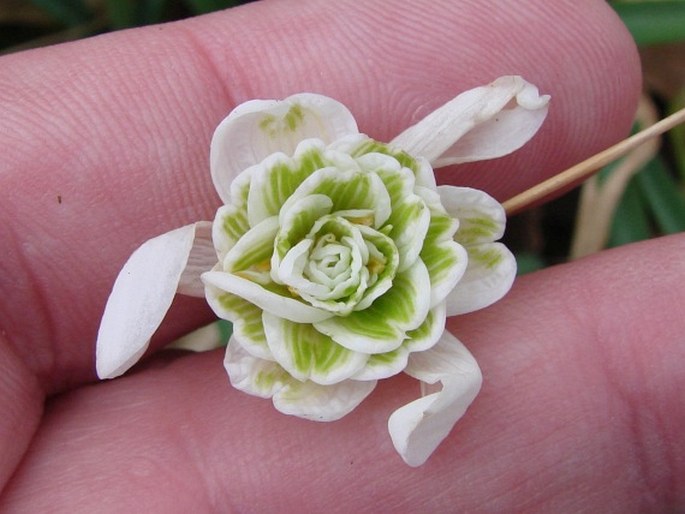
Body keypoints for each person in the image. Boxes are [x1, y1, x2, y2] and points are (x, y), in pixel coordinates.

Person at [0, 0, 682, 511]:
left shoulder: (420, 220)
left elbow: (467, 209)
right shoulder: (263, 187)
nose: (328, 261)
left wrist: (484, 110)